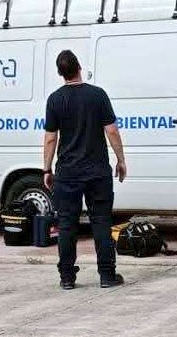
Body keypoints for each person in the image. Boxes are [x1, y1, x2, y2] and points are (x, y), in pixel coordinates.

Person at [43, 50, 127, 290]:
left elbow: (51, 139)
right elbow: (112, 130)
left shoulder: (55, 100)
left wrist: (47, 169)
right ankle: (107, 275)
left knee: (67, 224)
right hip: (97, 171)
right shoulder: (98, 95)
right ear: (79, 67)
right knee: (101, 221)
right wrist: (120, 160)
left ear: (61, 73)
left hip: (67, 173)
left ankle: (67, 277)